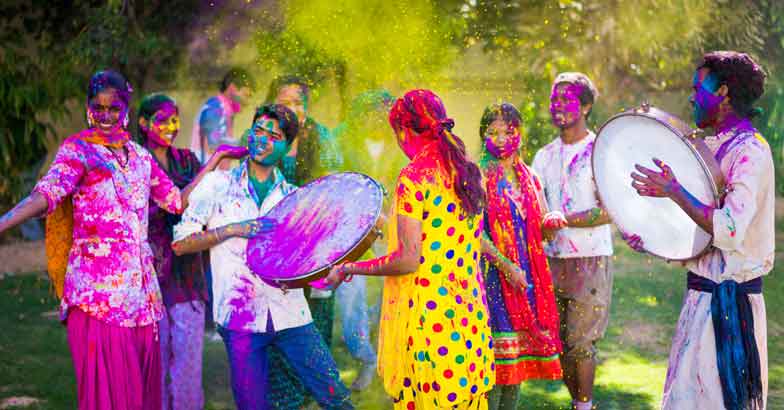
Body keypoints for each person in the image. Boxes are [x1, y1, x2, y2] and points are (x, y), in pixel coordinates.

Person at [0, 70, 187, 410]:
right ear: (88, 108)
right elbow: (46, 194)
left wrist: (217, 162)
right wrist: (2, 223)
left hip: (141, 298)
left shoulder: (141, 158)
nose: (104, 116)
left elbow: (176, 201)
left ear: (125, 110)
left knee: (140, 398)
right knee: (111, 398)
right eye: (97, 107)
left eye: (113, 108)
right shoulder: (78, 151)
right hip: (97, 296)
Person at [171, 104, 353, 410]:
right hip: (240, 319)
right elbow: (180, 244)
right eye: (258, 130)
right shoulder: (218, 185)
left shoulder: (293, 198)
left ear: (287, 146)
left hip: (292, 315)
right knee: (252, 404)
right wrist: (231, 230)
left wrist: (329, 279)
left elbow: (306, 265)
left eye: (274, 135)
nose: (263, 139)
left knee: (335, 395)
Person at [326, 89, 494, 410]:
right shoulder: (469, 172)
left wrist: (350, 267)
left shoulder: (415, 177)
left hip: (429, 320)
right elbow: (448, 237)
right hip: (468, 314)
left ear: (404, 131)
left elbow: (407, 259)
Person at [627, 51, 771, 410]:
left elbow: (730, 229)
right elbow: (695, 230)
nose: (692, 96)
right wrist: (651, 237)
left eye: (698, 87)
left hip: (731, 309)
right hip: (700, 301)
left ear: (722, 92)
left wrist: (674, 190)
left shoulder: (751, 151)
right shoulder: (708, 147)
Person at [137, 93, 246, 410]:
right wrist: (215, 160)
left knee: (187, 366)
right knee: (154, 368)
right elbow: (175, 204)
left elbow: (207, 199)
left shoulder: (186, 160)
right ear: (143, 124)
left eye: (174, 119)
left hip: (188, 277)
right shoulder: (137, 163)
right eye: (162, 119)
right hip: (150, 278)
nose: (170, 126)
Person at [258, 75, 344, 409]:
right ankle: (284, 401)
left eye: (298, 103)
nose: (292, 110)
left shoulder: (322, 139)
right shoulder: (262, 139)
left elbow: (334, 193)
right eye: (285, 102)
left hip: (315, 256)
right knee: (278, 336)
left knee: (314, 335)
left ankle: (307, 399)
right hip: (274, 259)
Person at [531, 72, 613, 410]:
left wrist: (564, 220)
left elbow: (610, 210)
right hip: (551, 259)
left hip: (591, 258)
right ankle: (579, 405)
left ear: (586, 105)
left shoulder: (599, 152)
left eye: (566, 100)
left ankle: (584, 405)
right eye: (554, 99)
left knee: (582, 344)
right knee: (560, 343)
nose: (558, 106)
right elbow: (535, 208)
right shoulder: (543, 156)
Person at [478, 103, 566, 410]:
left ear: (520, 135)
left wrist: (551, 223)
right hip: (491, 280)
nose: (501, 139)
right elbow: (474, 232)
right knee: (494, 371)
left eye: (508, 131)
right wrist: (505, 265)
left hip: (526, 279)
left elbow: (540, 228)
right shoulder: (477, 177)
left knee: (516, 372)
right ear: (483, 136)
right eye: (493, 132)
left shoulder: (531, 177)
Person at [333, 89, 403, 390]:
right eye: (372, 110)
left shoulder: (400, 145)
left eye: (384, 111)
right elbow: (335, 183)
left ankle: (384, 363)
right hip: (353, 232)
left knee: (387, 297)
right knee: (350, 298)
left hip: (391, 232)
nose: (378, 117)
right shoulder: (341, 143)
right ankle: (365, 357)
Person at [191, 67, 254, 164]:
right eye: (246, 95)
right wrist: (246, 144)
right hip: (205, 173)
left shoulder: (224, 110)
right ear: (232, 88)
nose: (247, 102)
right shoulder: (216, 106)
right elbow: (214, 142)